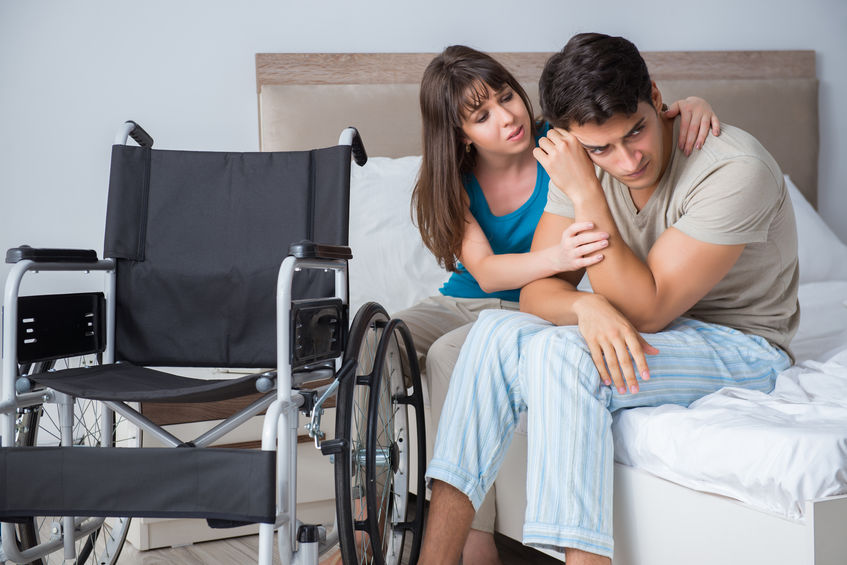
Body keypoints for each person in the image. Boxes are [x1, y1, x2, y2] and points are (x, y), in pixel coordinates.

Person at [420, 33, 798, 565]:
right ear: (572, 137)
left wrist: (588, 192)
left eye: (636, 131)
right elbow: (537, 293)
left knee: (562, 354)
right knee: (492, 332)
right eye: (601, 149)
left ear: (656, 95)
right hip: (647, 325)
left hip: (743, 343)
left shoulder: (734, 169)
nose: (626, 159)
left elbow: (650, 309)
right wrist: (585, 305)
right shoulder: (577, 159)